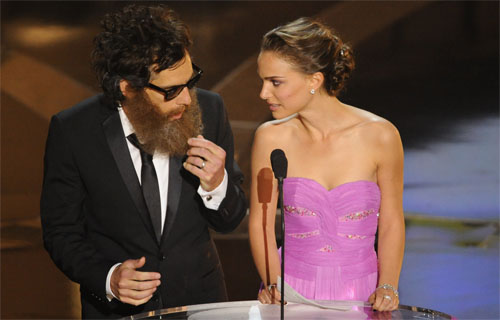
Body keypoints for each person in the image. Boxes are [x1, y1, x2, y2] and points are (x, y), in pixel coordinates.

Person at [40, 4, 247, 318]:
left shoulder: (211, 109)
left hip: (200, 304)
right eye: (172, 90)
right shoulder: (73, 131)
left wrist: (218, 185)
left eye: (191, 81)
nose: (187, 99)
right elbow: (61, 233)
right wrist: (109, 278)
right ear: (128, 88)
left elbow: (230, 220)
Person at [248, 17, 405, 312]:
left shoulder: (381, 135)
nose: (263, 93)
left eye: (275, 82)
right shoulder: (270, 138)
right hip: (289, 290)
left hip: (361, 292)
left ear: (314, 80)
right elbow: (261, 222)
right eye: (263, 80)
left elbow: (392, 220)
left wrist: (388, 284)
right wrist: (272, 282)